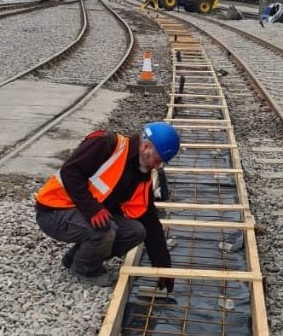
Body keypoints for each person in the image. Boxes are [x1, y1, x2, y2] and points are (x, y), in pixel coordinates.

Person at [34, 121, 181, 288]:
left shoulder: (141, 175)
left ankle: (75, 259)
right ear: (145, 147)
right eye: (158, 160)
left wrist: (162, 266)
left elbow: (149, 220)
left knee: (136, 231)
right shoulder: (107, 144)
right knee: (105, 228)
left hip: (79, 213)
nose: (158, 165)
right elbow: (70, 172)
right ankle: (84, 271)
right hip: (53, 211)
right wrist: (92, 209)